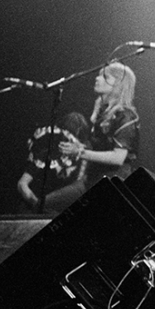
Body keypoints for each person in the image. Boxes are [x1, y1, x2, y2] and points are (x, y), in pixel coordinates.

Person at [16, 63, 140, 214]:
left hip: (112, 182)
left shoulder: (126, 116)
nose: (97, 78)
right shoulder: (102, 113)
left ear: (118, 84)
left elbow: (118, 158)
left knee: (47, 207)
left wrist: (80, 152)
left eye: (105, 76)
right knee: (41, 206)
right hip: (92, 179)